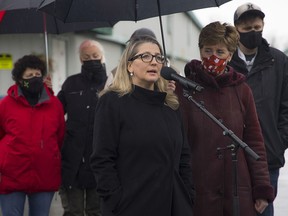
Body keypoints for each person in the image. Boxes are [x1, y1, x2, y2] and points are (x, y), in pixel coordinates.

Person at [175, 21, 274, 216]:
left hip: (237, 190)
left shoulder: (241, 90)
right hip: (198, 190)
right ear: (200, 51)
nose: (213, 57)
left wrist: (261, 187)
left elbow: (254, 140)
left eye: (220, 52)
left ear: (230, 55)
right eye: (207, 50)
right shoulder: (183, 88)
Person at [90, 35, 195, 216]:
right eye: (145, 56)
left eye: (158, 57)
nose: (153, 62)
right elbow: (102, 159)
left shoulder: (170, 105)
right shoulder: (112, 102)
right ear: (130, 65)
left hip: (174, 206)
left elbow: (183, 158)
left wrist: (188, 194)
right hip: (131, 206)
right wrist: (115, 199)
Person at [229, 3, 288, 215]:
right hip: (233, 158)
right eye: (247, 28)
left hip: (269, 156)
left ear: (263, 25)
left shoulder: (279, 60)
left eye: (257, 27)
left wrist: (279, 142)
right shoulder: (226, 62)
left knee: (264, 211)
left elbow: (286, 106)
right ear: (236, 29)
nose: (253, 32)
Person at [0, 55, 65, 216]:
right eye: (29, 76)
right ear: (19, 80)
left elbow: (60, 137)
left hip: (45, 174)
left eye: (37, 75)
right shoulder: (6, 104)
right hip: (12, 175)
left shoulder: (54, 104)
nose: (34, 79)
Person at [57, 39, 107, 216]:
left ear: (102, 58)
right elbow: (55, 112)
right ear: (80, 59)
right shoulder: (70, 84)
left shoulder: (111, 85)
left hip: (100, 161)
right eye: (86, 57)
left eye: (95, 56)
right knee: (73, 212)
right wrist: (45, 92)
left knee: (97, 212)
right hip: (73, 162)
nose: (91, 60)